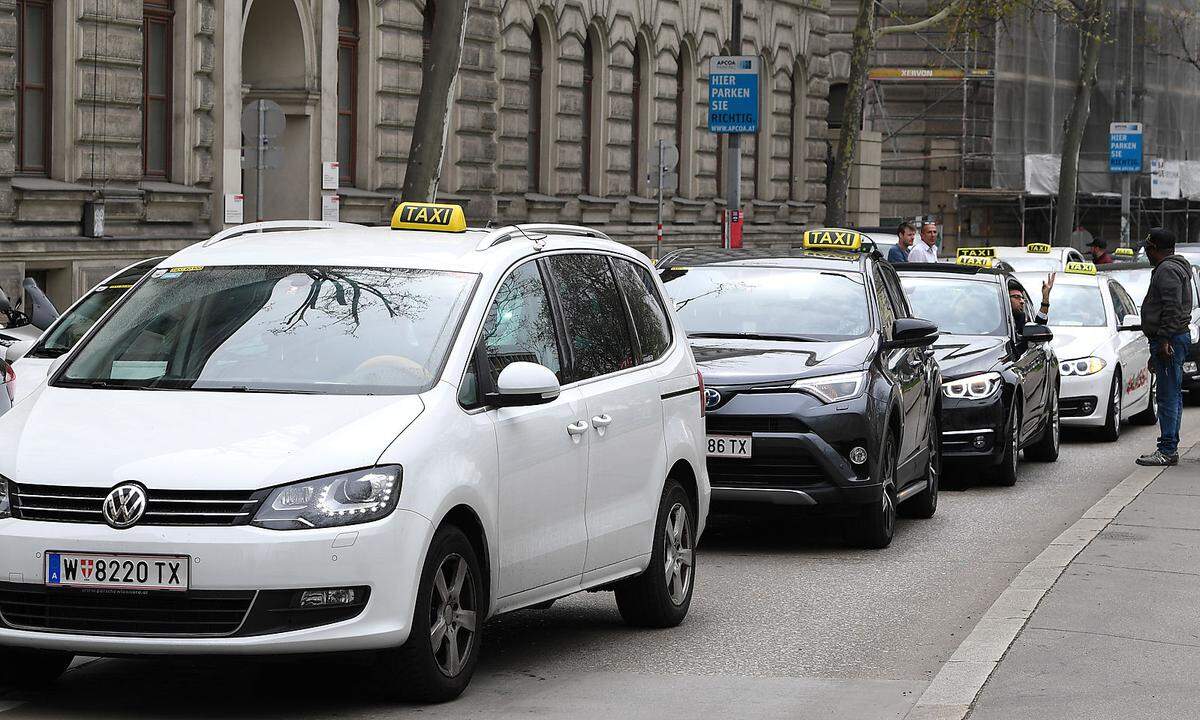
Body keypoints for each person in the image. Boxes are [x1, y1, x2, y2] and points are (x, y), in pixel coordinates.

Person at [1136, 228, 1194, 467]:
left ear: (1154, 249)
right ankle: (1169, 446)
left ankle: (1167, 450)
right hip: (1171, 339)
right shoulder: (1174, 267)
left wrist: (1163, 340)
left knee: (1168, 396)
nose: (1147, 253)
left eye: (1148, 248)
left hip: (1170, 339)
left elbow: (1171, 308)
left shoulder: (1167, 270)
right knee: (1173, 394)